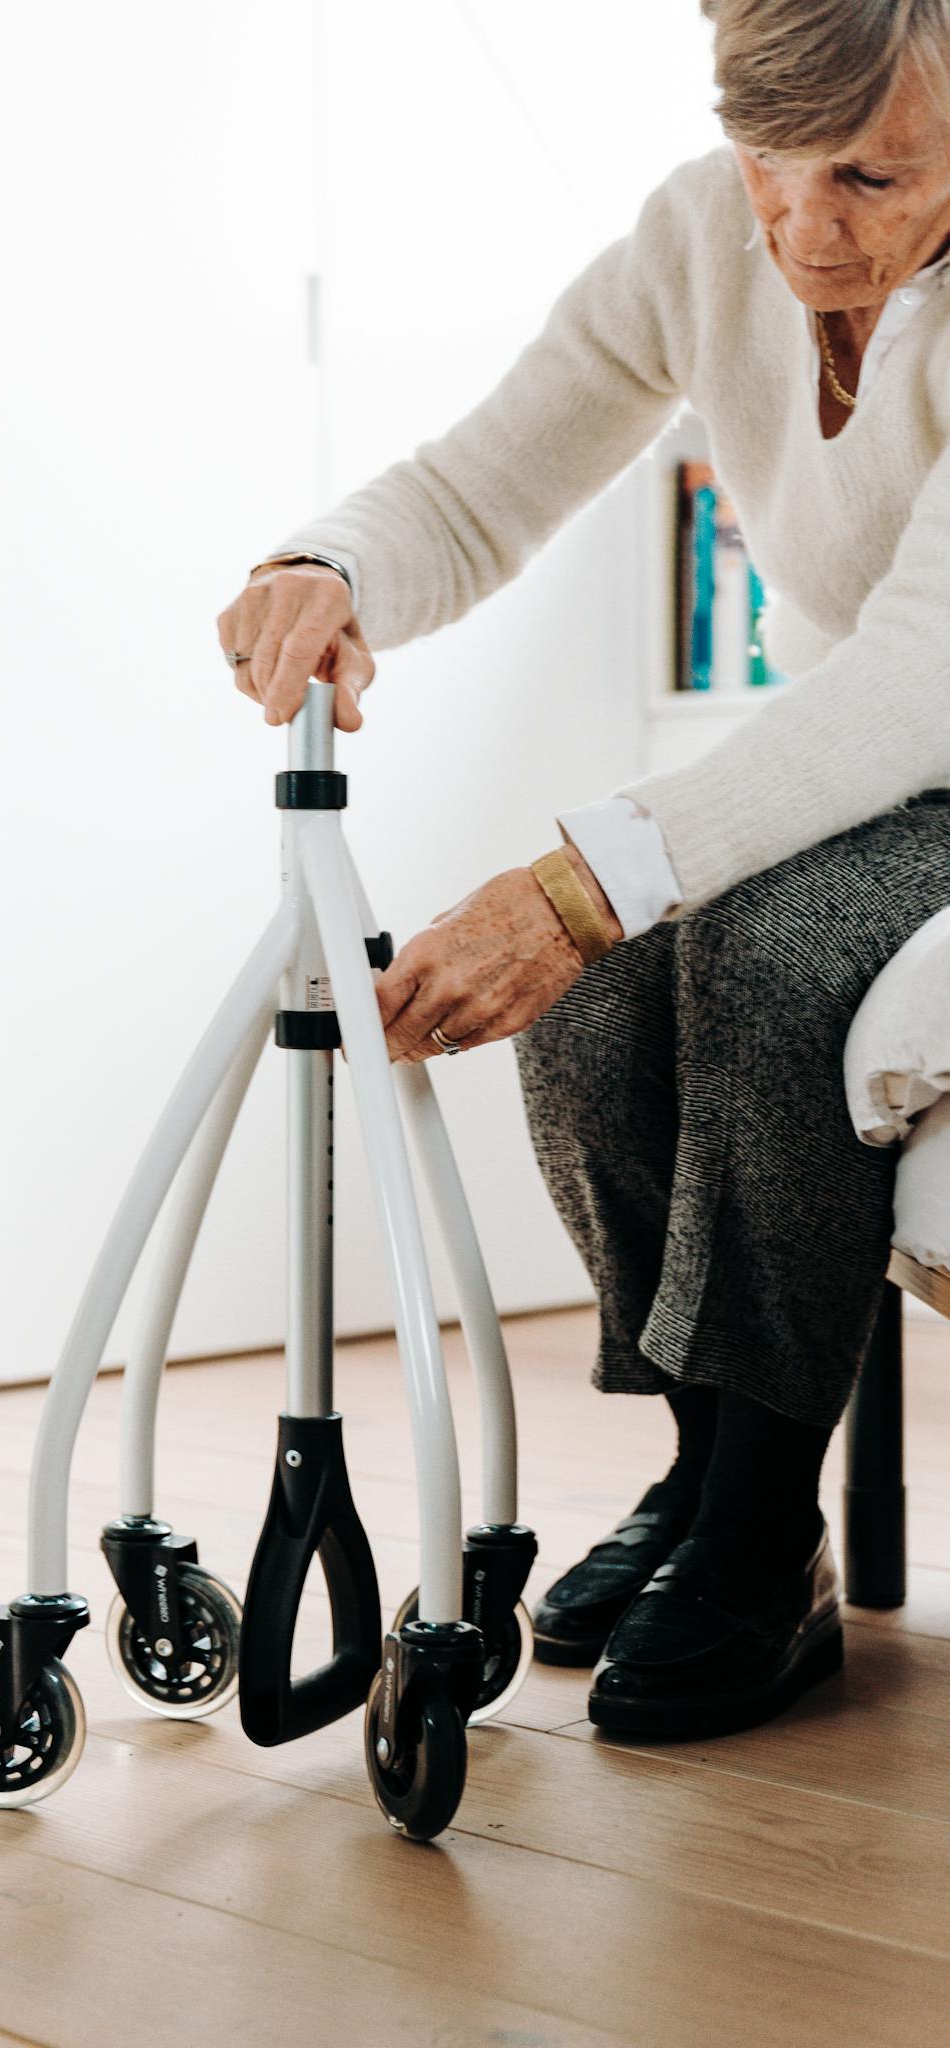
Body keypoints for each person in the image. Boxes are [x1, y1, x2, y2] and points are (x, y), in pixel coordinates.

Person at [215, 0, 950, 1740]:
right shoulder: (700, 234)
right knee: (600, 991)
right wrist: (328, 565)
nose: (799, 228)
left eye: (867, 177)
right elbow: (482, 486)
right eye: (768, 162)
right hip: (864, 760)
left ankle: (762, 1533)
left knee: (764, 964)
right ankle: (704, 1471)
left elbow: (921, 673)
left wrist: (577, 884)